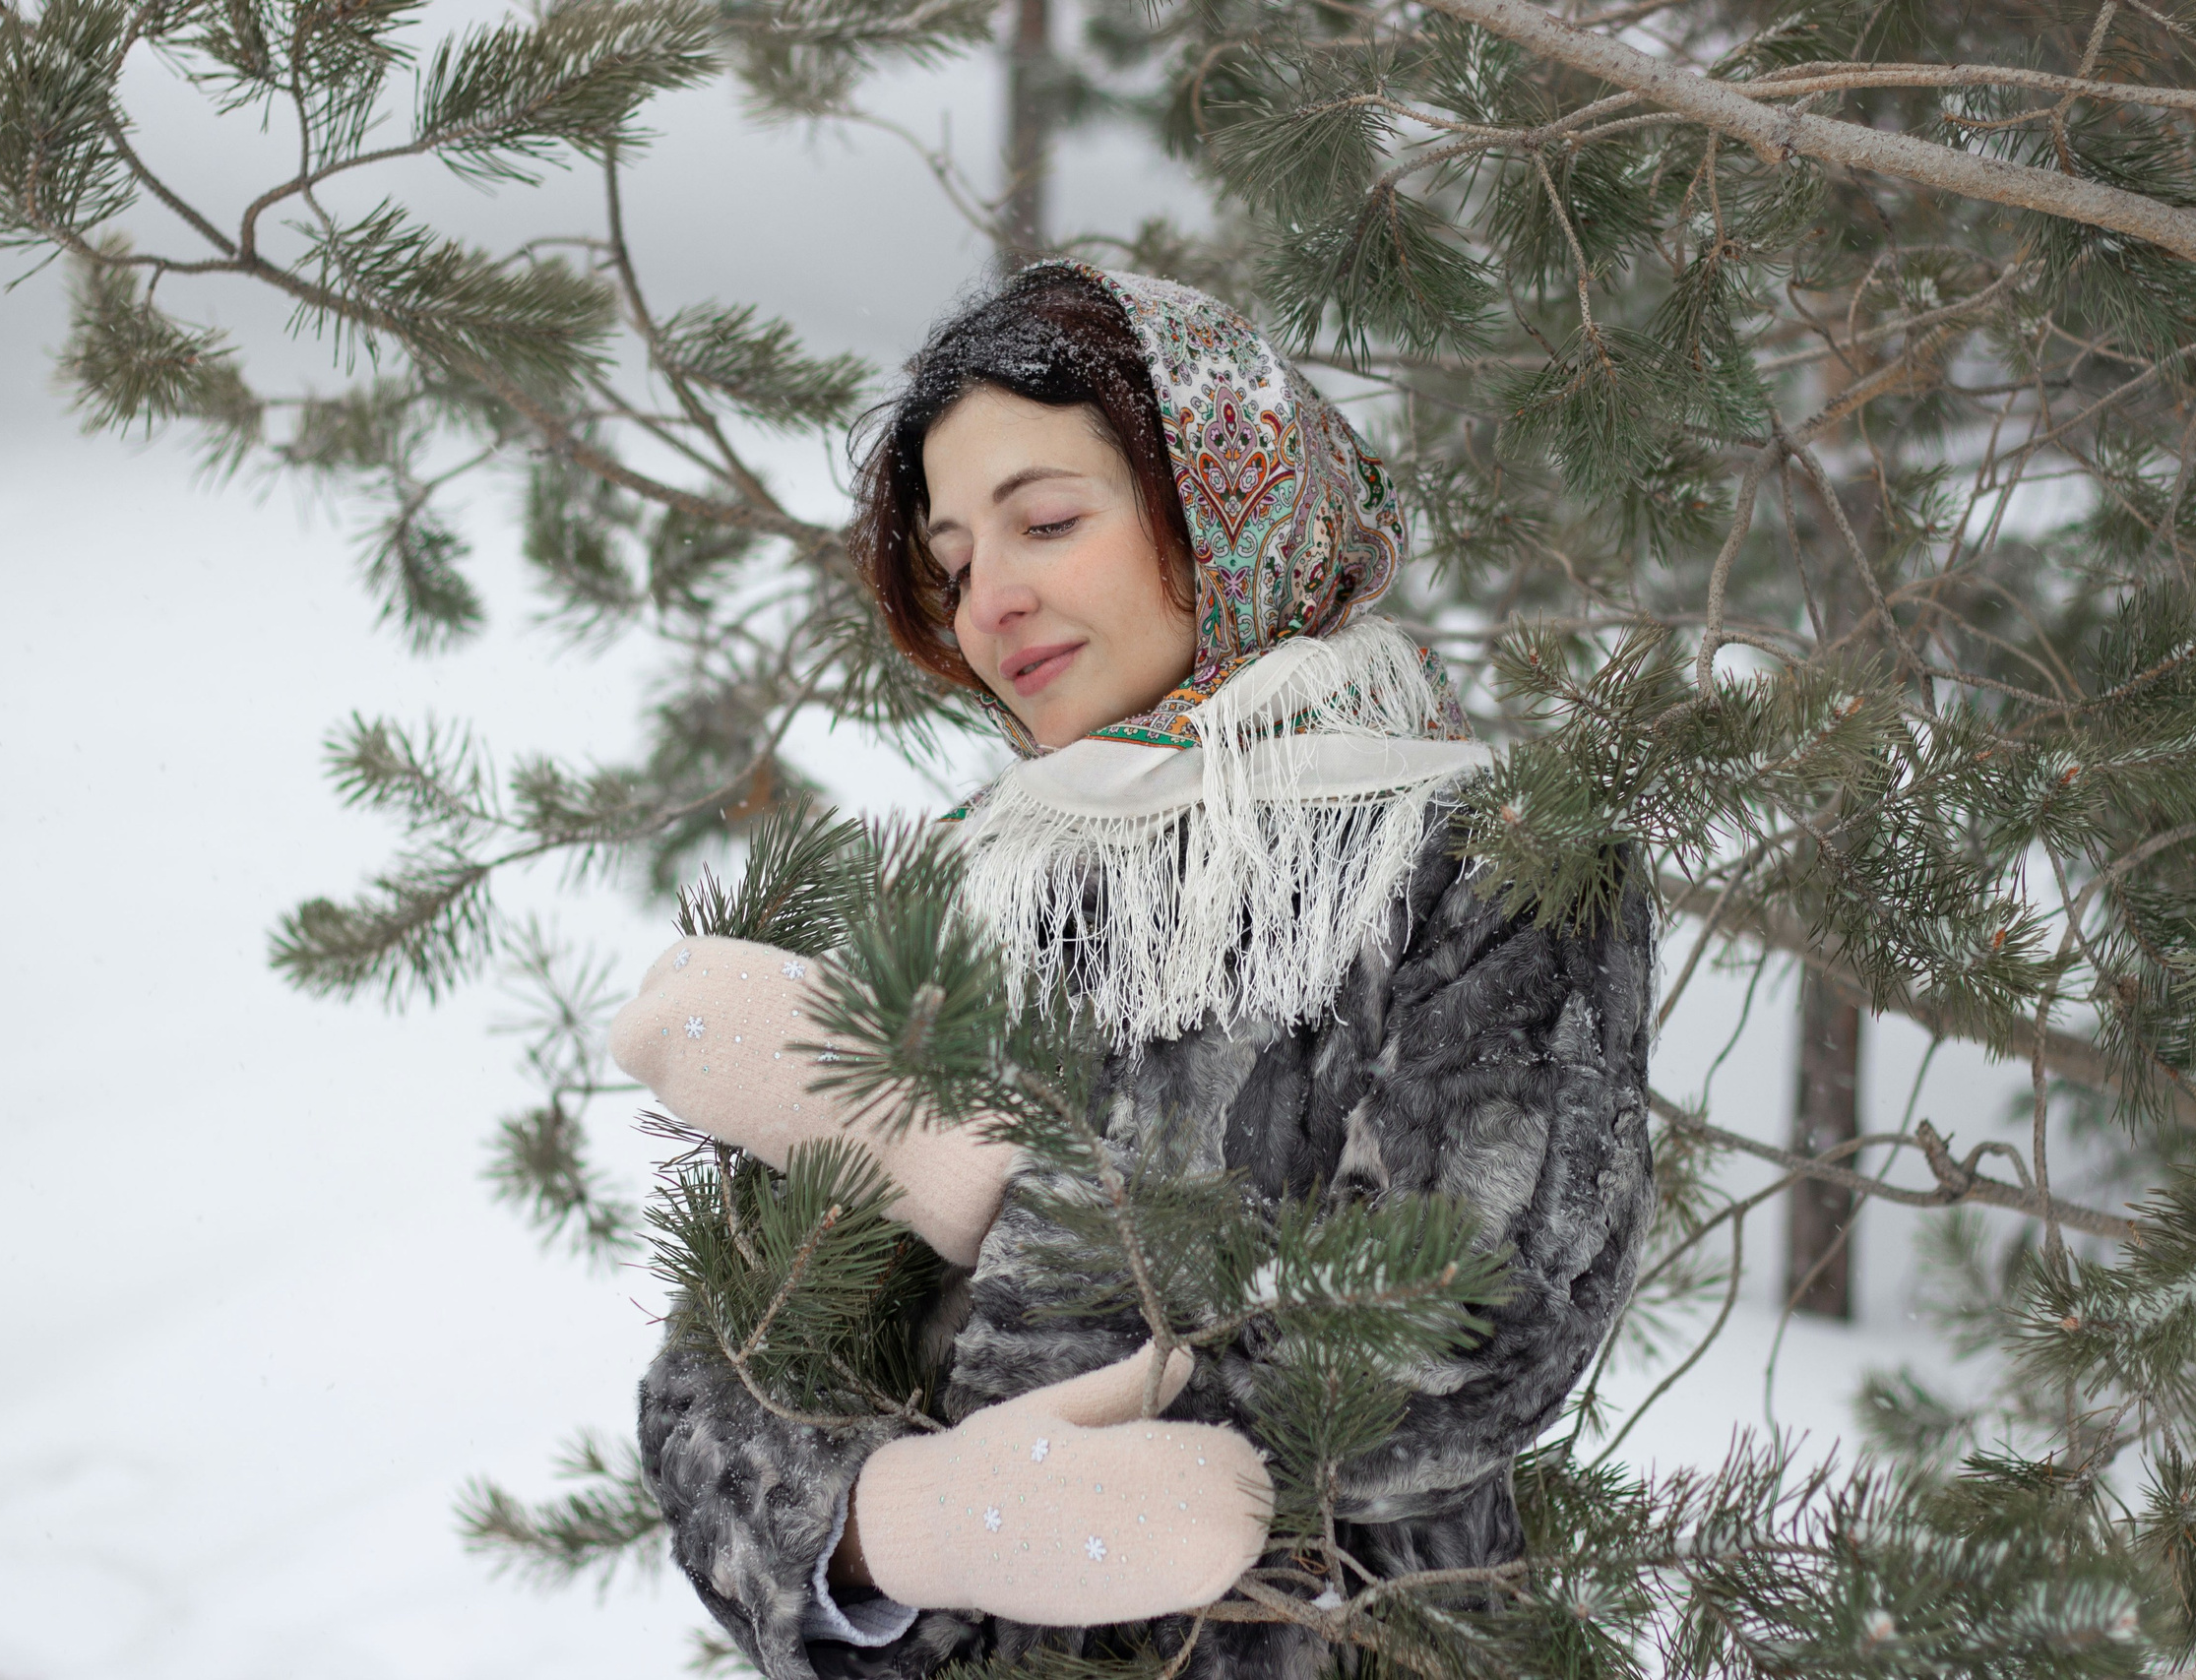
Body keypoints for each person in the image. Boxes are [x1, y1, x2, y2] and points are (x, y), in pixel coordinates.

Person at [606, 264, 1656, 1678]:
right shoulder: (958, 894)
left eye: (1047, 521)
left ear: (1221, 503)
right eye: (958, 562)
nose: (992, 604)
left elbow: (1457, 1335)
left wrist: (993, 1183)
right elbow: (718, 1389)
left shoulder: (1477, 857)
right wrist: (899, 1528)